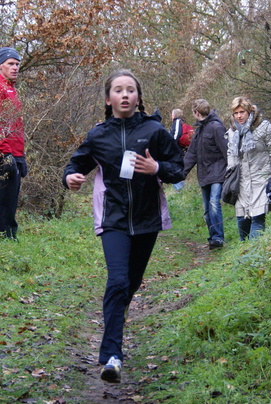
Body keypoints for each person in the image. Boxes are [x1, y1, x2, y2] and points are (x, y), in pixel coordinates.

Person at [63, 69, 184, 383]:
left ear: (138, 97)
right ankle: (112, 356)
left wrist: (157, 167)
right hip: (113, 218)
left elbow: (178, 168)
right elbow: (77, 163)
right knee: (117, 281)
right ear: (108, 99)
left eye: (131, 90)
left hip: (147, 219)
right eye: (119, 90)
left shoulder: (154, 131)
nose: (126, 94)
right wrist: (70, 177)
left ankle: (119, 315)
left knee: (129, 283)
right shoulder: (98, 135)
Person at [226, 96, 271, 240]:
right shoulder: (233, 132)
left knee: (258, 218)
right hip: (241, 182)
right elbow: (231, 153)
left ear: (249, 111)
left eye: (242, 112)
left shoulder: (264, 127)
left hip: (261, 179)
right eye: (236, 113)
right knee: (242, 221)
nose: (239, 116)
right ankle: (243, 251)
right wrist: (231, 171)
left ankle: (254, 250)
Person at [0, 47, 28, 240]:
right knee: (3, 197)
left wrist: (21, 156)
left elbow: (16, 126)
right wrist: (4, 153)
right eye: (11, 64)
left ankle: (11, 234)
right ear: (0, 65)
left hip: (15, 151)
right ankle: (3, 235)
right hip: (3, 153)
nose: (15, 67)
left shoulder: (12, 89)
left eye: (17, 64)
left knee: (13, 197)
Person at [183, 99, 228, 250]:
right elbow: (191, 155)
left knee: (214, 204)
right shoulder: (199, 131)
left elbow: (227, 151)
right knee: (207, 209)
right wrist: (179, 174)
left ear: (196, 112)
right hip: (204, 176)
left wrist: (231, 174)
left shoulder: (216, 128)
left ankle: (218, 238)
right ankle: (213, 238)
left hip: (218, 173)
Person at [169, 108, 190, 191]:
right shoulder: (181, 122)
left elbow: (177, 133)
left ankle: (180, 189)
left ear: (174, 115)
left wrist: (171, 145)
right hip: (179, 150)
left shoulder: (177, 122)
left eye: (172, 114)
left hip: (176, 151)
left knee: (174, 169)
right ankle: (180, 189)